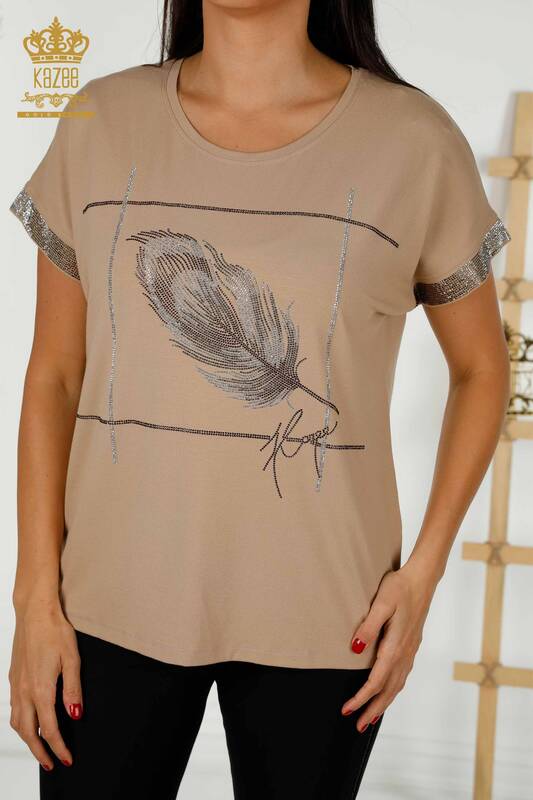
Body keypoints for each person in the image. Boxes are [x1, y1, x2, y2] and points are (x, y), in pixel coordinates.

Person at [8, 1, 511, 798]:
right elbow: (54, 373)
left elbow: (482, 368)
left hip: (330, 614)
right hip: (105, 606)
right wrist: (33, 596)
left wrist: (421, 576)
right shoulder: (101, 118)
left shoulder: (412, 139)